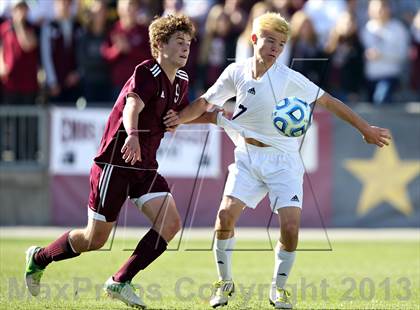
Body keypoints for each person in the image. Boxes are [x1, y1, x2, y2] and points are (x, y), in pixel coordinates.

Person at [164, 12, 391, 309]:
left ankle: (278, 288)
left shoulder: (288, 78)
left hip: (283, 161)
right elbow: (206, 105)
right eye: (270, 40)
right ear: (255, 39)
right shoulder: (236, 73)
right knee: (224, 218)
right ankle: (224, 283)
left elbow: (329, 102)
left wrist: (366, 128)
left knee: (291, 228)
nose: (275, 48)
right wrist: (178, 119)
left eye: (281, 44)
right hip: (247, 157)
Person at [25, 14, 195, 309]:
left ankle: (120, 281)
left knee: (170, 223)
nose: (185, 48)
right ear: (158, 45)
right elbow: (133, 106)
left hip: (144, 167)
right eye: (179, 42)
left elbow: (174, 114)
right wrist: (131, 135)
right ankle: (39, 257)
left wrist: (194, 118)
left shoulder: (181, 81)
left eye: (189, 43)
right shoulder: (146, 71)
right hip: (115, 164)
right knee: (95, 239)